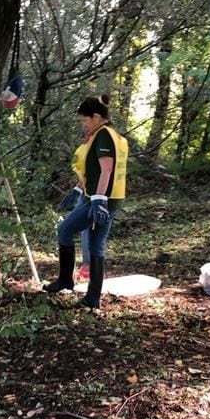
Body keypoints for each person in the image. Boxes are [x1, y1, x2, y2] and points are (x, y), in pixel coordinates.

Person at [45, 94, 129, 309]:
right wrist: (77, 189)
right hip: (105, 197)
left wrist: (98, 201)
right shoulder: (105, 135)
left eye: (85, 120)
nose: (83, 124)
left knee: (65, 230)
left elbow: (106, 169)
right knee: (95, 245)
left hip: (102, 199)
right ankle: (92, 297)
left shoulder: (104, 136)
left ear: (96, 117)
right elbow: (90, 170)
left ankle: (66, 279)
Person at [58, 132, 92, 282]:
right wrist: (77, 190)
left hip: (95, 196)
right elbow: (84, 175)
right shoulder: (83, 151)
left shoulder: (99, 150)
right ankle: (85, 267)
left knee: (87, 229)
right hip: (84, 194)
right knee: (81, 230)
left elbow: (95, 174)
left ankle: (88, 267)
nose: (85, 138)